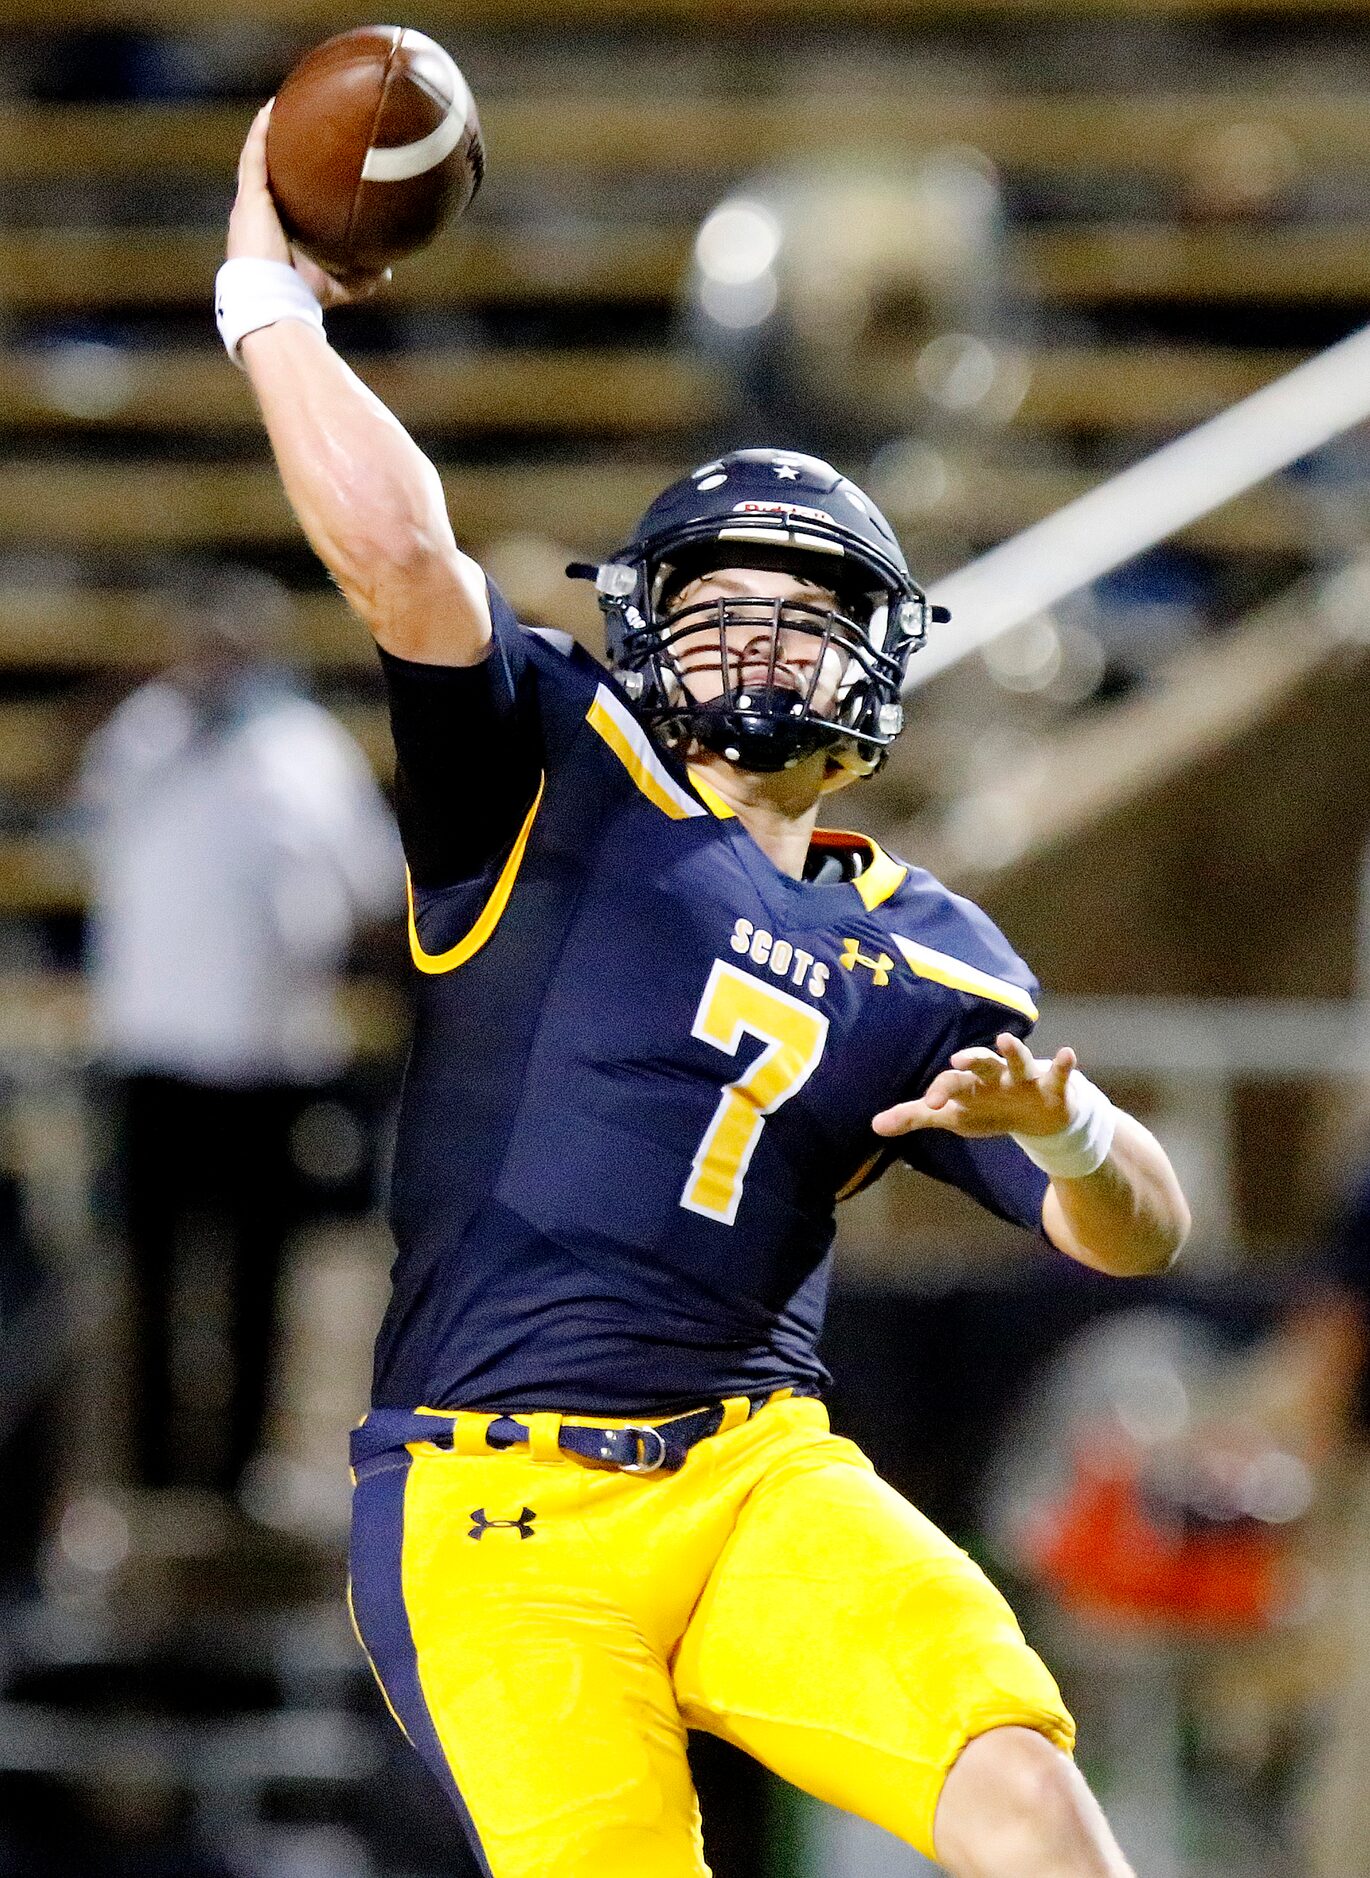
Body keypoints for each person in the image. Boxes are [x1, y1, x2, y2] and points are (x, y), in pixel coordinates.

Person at [217, 106, 1191, 1878]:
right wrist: (263, 296)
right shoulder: (554, 774)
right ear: (649, 626)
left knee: (1035, 1807)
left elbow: (1135, 1232)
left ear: (879, 660)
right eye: (722, 601)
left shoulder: (927, 944)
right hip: (495, 1498)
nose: (760, 637)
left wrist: (1076, 1125)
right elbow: (400, 560)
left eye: (804, 608)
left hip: (758, 1472)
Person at [79, 563, 403, 1498]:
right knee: (147, 1269)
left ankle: (238, 1470)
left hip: (268, 1058)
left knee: (258, 1274)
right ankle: (145, 1472)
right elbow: (82, 819)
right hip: (150, 1051)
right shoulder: (140, 738)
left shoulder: (306, 751)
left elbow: (370, 887)